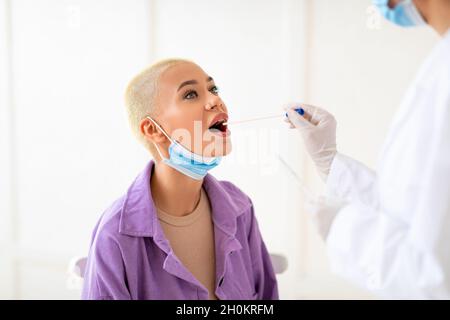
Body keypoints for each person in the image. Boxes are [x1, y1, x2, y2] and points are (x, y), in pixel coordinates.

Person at [285, 0, 450, 299]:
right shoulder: (440, 62)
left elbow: (435, 274)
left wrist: (345, 229)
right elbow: (414, 206)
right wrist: (330, 162)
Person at [82, 59, 278, 300]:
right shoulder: (114, 235)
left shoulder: (240, 208)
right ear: (153, 130)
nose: (215, 100)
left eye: (213, 89)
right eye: (190, 94)